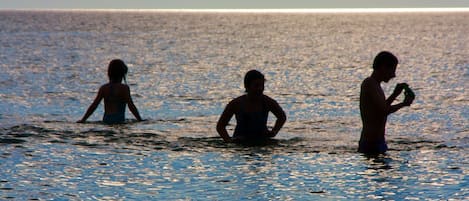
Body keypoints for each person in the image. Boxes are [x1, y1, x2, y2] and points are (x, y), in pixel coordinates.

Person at [359, 51, 415, 154]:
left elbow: (379, 110)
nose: (393, 75)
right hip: (370, 144)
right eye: (392, 70)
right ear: (383, 67)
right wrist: (404, 104)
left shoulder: (375, 85)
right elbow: (384, 111)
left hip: (378, 142)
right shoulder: (369, 84)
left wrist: (395, 94)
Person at [216, 70, 287, 143]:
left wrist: (274, 132)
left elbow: (282, 117)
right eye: (256, 86)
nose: (259, 89)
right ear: (247, 86)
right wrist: (228, 140)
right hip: (241, 143)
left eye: (262, 85)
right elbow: (220, 126)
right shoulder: (236, 104)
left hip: (262, 141)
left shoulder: (268, 102)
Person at [77, 59, 143, 124]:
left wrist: (83, 119)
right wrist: (140, 119)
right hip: (118, 120)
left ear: (109, 73)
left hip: (106, 119)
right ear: (122, 74)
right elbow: (131, 106)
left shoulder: (104, 88)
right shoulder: (124, 88)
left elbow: (94, 105)